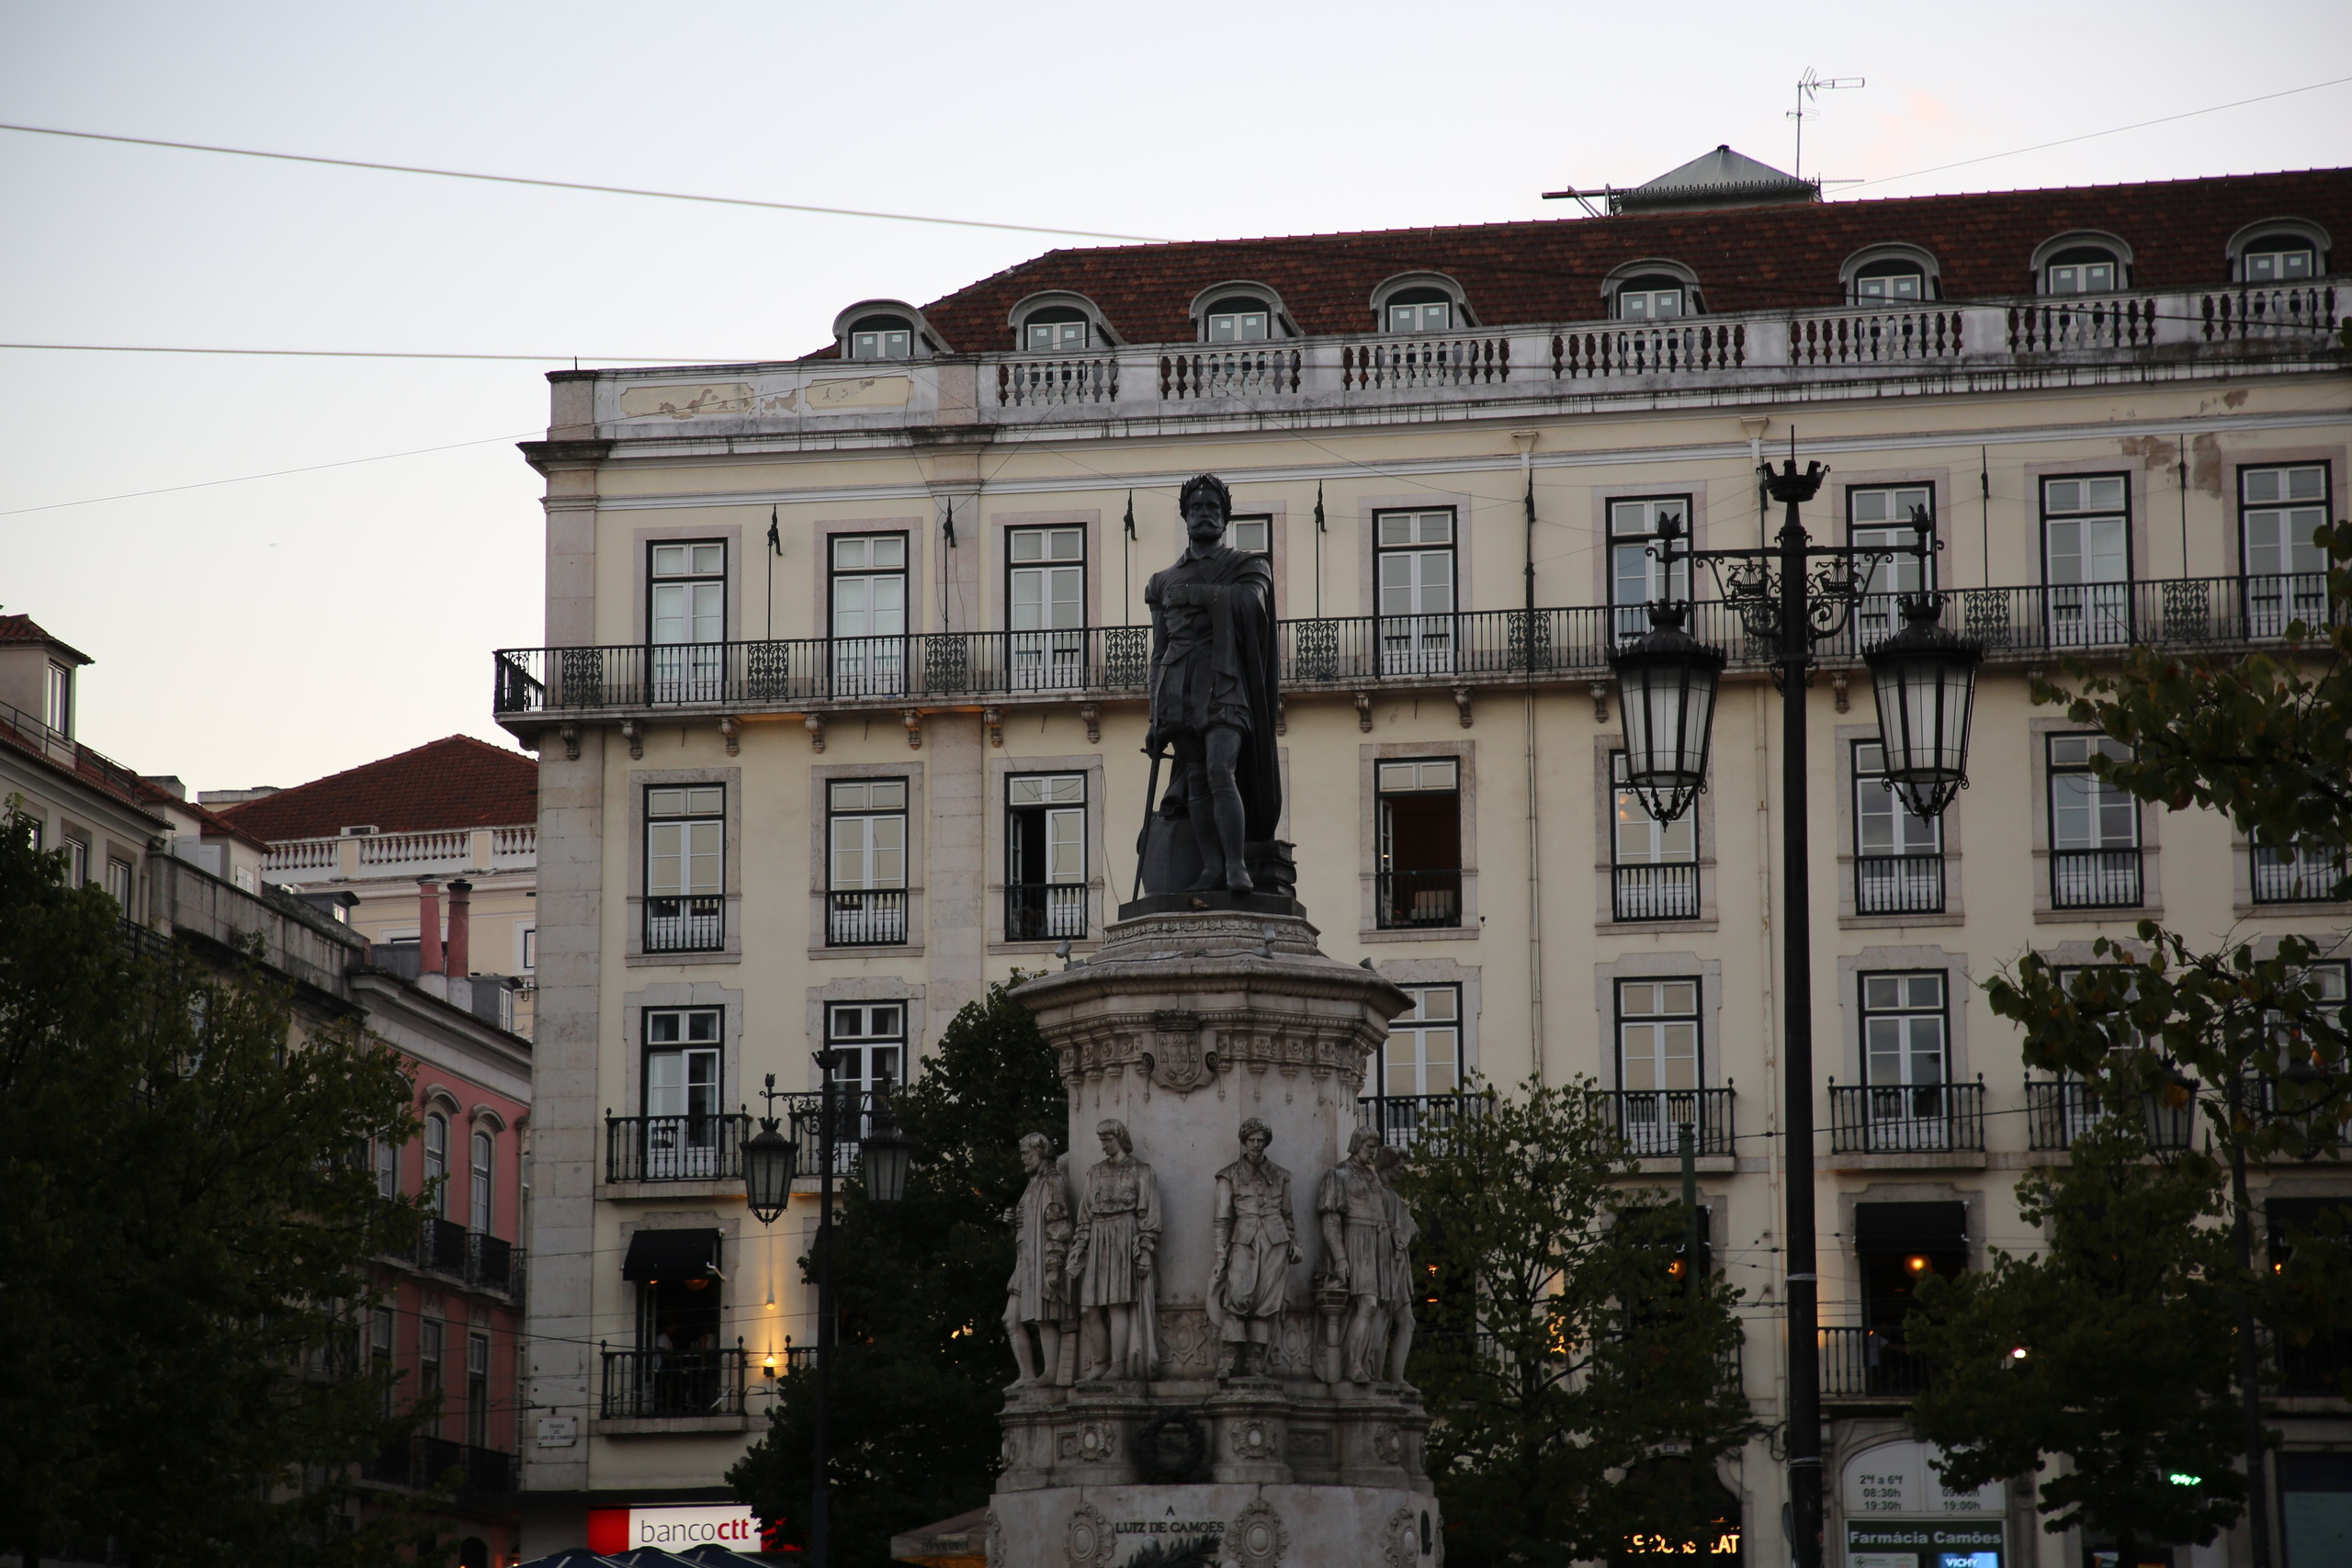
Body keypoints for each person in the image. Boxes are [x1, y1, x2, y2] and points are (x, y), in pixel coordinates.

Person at [1143, 473, 1282, 895]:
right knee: (1197, 779)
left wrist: (1200, 596)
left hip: (1225, 682)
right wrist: (1153, 715)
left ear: (1225, 518)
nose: (1205, 514)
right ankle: (1212, 866)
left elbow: (1251, 603)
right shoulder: (1162, 581)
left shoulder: (1248, 566)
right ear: (1185, 516)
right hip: (1177, 685)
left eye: (1213, 508)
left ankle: (1237, 866)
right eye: (1197, 508)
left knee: (1222, 768)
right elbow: (1158, 649)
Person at [1068, 1119, 1161, 1381]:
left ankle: (1117, 1365)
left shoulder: (1141, 1171)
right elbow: (1085, 1213)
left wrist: (1144, 1248)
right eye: (1102, 1140)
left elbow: (1150, 1217)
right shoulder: (1095, 1172)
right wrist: (1080, 1245)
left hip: (1124, 1234)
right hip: (1098, 1235)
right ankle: (1100, 1362)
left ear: (1120, 1138)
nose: (1104, 1145)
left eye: (1108, 1139)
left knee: (1117, 1305)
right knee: (1089, 1308)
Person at [1209, 1118, 1300, 1379]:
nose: (1257, 1145)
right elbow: (1222, 1218)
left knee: (1265, 1303)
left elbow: (1288, 1214)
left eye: (1261, 1141)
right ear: (1244, 1142)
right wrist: (1220, 1254)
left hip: (1276, 1241)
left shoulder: (1281, 1176)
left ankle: (1254, 1360)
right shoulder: (1229, 1175)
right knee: (1237, 1298)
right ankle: (1227, 1359)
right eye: (1252, 1141)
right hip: (1244, 1240)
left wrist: (1293, 1242)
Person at [1317, 1127, 1393, 1383]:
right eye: (1369, 1146)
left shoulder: (1373, 1177)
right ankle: (1353, 1365)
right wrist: (1340, 1257)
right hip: (1357, 1239)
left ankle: (1364, 1364)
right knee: (1368, 1304)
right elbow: (1330, 1221)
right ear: (1356, 1144)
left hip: (1378, 1241)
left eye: (1376, 1146)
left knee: (1376, 1308)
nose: (1373, 1151)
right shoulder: (1338, 1174)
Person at [1002, 1131, 1073, 1386]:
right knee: (1011, 1318)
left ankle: (1049, 1373)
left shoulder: (1052, 1181)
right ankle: (1028, 1375)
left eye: (1025, 1153)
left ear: (1040, 1151)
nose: (1022, 1159)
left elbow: (1058, 1225)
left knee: (1045, 1315)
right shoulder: (1034, 1183)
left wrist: (1054, 1266)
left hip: (1040, 1257)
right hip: (1026, 1259)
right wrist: (1014, 1222)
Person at [1374, 1145, 1419, 1383]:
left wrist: (1408, 1228)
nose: (1403, 1172)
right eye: (1399, 1168)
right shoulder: (1377, 1192)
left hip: (1398, 1261)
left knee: (1405, 1320)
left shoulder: (1391, 1195)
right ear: (1388, 1166)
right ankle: (1379, 1376)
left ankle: (1396, 1378)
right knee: (1382, 1319)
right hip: (1386, 1261)